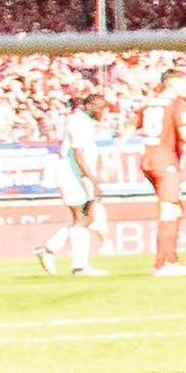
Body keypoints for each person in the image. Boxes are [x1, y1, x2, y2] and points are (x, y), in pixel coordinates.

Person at [36, 91, 110, 277]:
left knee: (87, 218)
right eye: (101, 108)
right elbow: (76, 153)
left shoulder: (80, 120)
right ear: (91, 106)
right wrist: (92, 179)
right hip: (72, 173)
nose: (104, 112)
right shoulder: (80, 122)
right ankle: (79, 266)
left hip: (75, 173)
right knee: (81, 218)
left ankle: (49, 250)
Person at [142, 69, 186, 278]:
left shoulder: (149, 103)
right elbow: (185, 132)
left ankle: (171, 259)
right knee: (169, 211)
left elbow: (130, 128)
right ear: (175, 84)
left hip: (148, 158)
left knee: (175, 209)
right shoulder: (175, 103)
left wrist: (115, 153)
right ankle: (162, 263)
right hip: (165, 161)